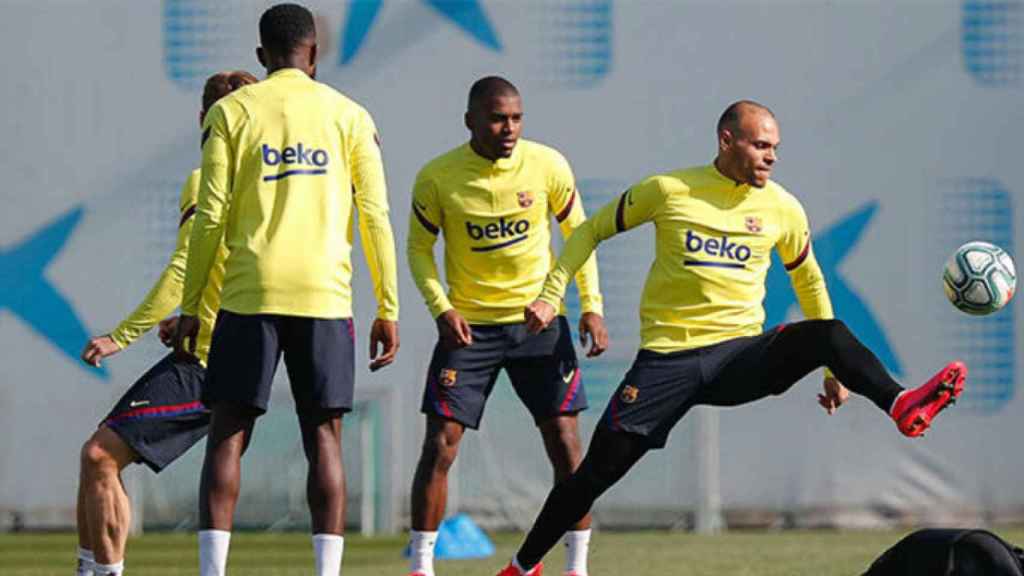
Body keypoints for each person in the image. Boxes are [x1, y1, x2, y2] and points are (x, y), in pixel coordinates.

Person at [495, 100, 967, 576]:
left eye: (775, 148)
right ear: (727, 141)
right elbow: (591, 230)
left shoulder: (783, 207)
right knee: (593, 476)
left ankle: (901, 404)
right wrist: (553, 294)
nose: (771, 156)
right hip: (667, 361)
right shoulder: (669, 190)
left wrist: (832, 371)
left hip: (740, 358)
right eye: (761, 145)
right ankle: (522, 567)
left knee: (830, 333)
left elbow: (811, 283)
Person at [172, 4, 400, 576]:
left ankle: (212, 571)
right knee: (324, 435)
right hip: (324, 296)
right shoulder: (350, 115)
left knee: (228, 433)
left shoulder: (232, 111)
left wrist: (193, 304)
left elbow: (210, 217)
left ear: (260, 56)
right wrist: (388, 307)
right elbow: (374, 214)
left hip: (249, 295)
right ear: (314, 53)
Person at [405, 76, 607, 576]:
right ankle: (422, 566)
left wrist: (586, 304)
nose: (509, 128)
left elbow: (578, 237)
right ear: (470, 120)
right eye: (497, 118)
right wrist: (441, 308)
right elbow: (417, 250)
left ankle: (577, 566)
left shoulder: (548, 165)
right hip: (468, 329)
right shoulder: (438, 177)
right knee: (440, 444)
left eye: (516, 117)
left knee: (566, 442)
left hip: (538, 325)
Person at [74, 70, 257, 576]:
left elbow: (183, 266)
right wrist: (189, 316)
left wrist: (122, 335)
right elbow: (227, 267)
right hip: (234, 353)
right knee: (96, 458)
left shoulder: (207, 180)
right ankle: (91, 569)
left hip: (209, 364)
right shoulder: (266, 186)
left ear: (204, 119)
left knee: (98, 457)